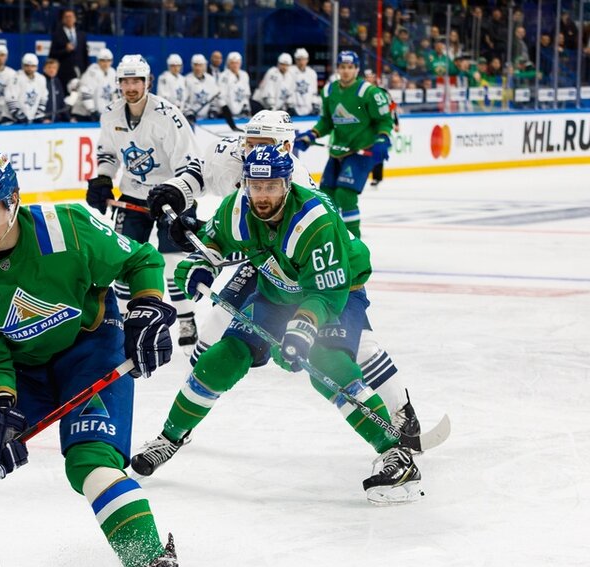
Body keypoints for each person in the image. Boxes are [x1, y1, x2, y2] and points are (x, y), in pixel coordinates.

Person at [0, 151, 189, 567]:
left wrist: (147, 305)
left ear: (14, 201)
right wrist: (1, 408)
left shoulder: (68, 227)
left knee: (89, 459)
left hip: (92, 353)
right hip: (24, 373)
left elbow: (140, 258)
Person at [134, 110, 427, 475]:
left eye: (271, 186)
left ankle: (394, 451)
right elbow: (213, 244)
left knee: (328, 363)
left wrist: (303, 327)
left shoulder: (313, 221)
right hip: (277, 289)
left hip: (337, 288)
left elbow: (327, 294)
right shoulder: (237, 207)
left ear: (287, 184)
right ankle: (170, 437)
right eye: (255, 187)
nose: (262, 196)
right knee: (225, 355)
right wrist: (197, 266)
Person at [87, 55, 200, 353]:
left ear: (148, 81)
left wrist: (177, 197)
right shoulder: (111, 114)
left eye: (137, 80)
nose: (131, 87)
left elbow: (188, 163)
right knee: (123, 261)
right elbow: (108, 154)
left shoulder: (168, 116)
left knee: (174, 262)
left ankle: (187, 318)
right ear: (119, 83)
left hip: (171, 196)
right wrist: (102, 179)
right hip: (134, 195)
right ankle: (127, 321)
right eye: (125, 81)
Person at [293, 51, 392, 238]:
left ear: (357, 70)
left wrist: (382, 139)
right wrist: (312, 135)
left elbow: (385, 121)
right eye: (342, 67)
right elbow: (327, 121)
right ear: (338, 68)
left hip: (362, 151)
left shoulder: (369, 93)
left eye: (350, 67)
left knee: (345, 195)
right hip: (338, 151)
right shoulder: (329, 91)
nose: (346, 71)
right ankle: (331, 237)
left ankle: (353, 240)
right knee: (325, 197)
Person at [71, 48, 115, 122]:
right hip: (84, 114)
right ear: (98, 61)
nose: (106, 63)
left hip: (101, 114)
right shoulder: (92, 72)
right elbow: (85, 92)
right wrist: (92, 110)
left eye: (108, 60)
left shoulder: (112, 72)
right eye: (103, 60)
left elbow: (113, 93)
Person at [50, 8, 88, 88]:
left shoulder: (81, 35)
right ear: (63, 19)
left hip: (80, 72)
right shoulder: (57, 35)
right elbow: (52, 54)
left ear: (75, 19)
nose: (69, 19)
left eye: (71, 16)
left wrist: (86, 70)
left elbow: (85, 54)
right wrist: (65, 50)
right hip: (63, 74)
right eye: (66, 17)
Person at [5, 52, 47, 124]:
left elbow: (44, 97)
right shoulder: (15, 78)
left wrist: (39, 113)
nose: (30, 68)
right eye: (27, 66)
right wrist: (19, 114)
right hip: (13, 120)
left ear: (37, 67)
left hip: (31, 120)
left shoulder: (41, 79)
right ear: (23, 66)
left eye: (33, 66)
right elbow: (10, 98)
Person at [217, 51, 251, 120]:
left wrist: (246, 106)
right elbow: (221, 96)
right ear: (228, 63)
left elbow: (246, 94)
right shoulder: (223, 76)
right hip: (228, 113)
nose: (235, 65)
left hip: (242, 112)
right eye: (232, 63)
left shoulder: (244, 75)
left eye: (237, 63)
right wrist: (225, 109)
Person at [183, 53, 217, 121]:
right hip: (191, 119)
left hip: (207, 119)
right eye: (196, 65)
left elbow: (215, 98)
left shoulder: (211, 79)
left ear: (204, 66)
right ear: (192, 66)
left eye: (200, 65)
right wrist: (189, 113)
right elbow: (184, 101)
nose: (198, 68)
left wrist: (213, 110)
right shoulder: (186, 80)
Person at [287, 48, 320, 116]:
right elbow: (287, 90)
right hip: (293, 109)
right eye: (299, 59)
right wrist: (289, 105)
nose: (301, 62)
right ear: (295, 60)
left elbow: (314, 92)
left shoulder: (312, 73)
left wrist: (315, 104)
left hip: (309, 108)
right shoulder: (289, 71)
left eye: (304, 59)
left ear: (307, 60)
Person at [39, 56, 69, 123]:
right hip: (42, 123)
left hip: (56, 123)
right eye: (49, 67)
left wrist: (69, 119)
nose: (52, 70)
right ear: (44, 68)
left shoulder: (57, 82)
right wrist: (41, 119)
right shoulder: (40, 81)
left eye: (54, 68)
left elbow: (62, 102)